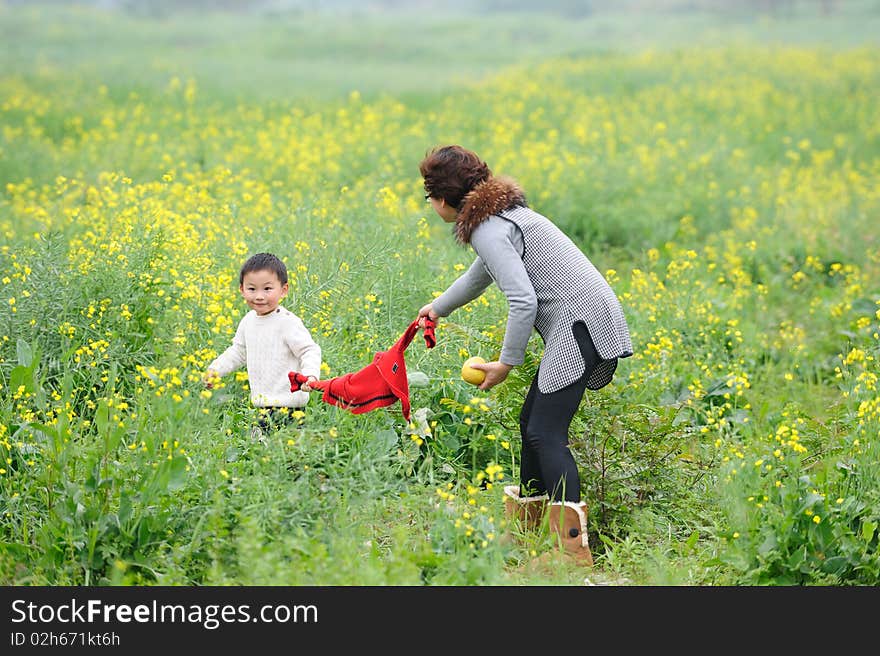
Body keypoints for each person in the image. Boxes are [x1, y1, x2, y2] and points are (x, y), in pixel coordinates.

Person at [416, 145, 633, 565]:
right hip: (587, 316)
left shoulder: (488, 228)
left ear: (442, 197)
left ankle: (571, 551)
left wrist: (506, 362)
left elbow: (523, 300)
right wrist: (437, 308)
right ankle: (528, 534)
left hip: (579, 323)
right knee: (532, 424)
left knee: (544, 433)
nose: (430, 204)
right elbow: (481, 274)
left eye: (428, 196)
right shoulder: (499, 219)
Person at [203, 252, 322, 438]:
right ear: (241, 289)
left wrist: (309, 375)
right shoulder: (248, 321)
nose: (259, 296)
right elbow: (238, 352)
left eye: (267, 289)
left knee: (290, 457)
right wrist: (215, 370)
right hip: (260, 405)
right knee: (259, 454)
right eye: (252, 289)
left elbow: (309, 350)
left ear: (283, 290)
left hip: (290, 407)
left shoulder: (288, 322)